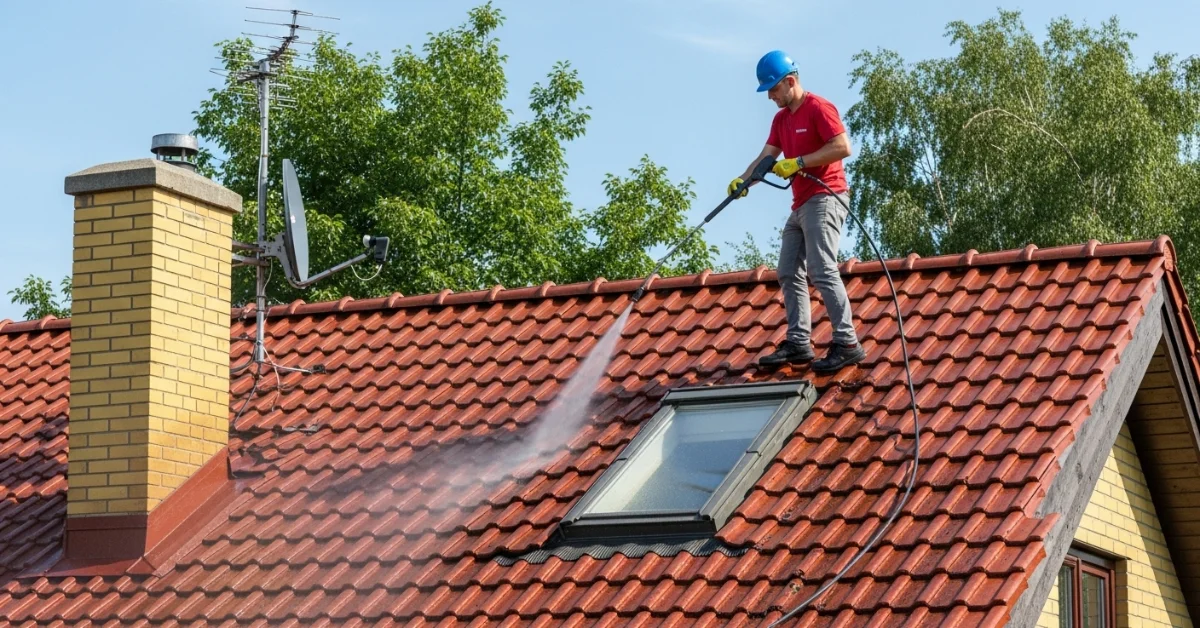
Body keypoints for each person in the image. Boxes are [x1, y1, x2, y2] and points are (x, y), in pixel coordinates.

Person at [730, 50, 865, 372]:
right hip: (801, 203)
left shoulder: (819, 108)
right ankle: (799, 343)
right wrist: (743, 180)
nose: (771, 97)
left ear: (790, 81)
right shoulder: (781, 120)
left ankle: (847, 343)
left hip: (826, 197)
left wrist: (800, 161)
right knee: (789, 270)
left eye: (774, 90)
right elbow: (766, 158)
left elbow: (842, 147)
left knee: (822, 269)